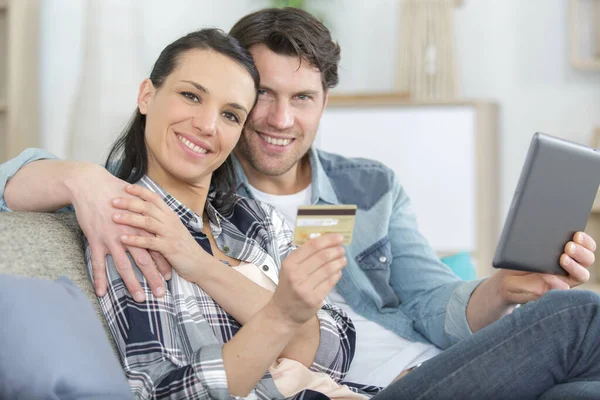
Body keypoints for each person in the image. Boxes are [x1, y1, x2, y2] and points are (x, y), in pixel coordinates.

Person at [2, 7, 600, 400]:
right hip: (372, 387)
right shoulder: (142, 205)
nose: (279, 120)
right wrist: (81, 178)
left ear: (323, 104)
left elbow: (362, 322)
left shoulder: (278, 211)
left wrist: (503, 290)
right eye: (259, 98)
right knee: (578, 318)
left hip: (409, 368)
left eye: (303, 99)